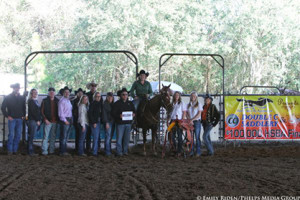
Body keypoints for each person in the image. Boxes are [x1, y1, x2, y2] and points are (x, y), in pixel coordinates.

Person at [1, 83, 25, 155]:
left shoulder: (21, 98)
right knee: (11, 134)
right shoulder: (8, 97)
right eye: (16, 88)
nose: (17, 89)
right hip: (12, 118)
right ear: (13, 88)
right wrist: (7, 116)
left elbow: (23, 107)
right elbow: (3, 108)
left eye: (18, 88)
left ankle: (15, 150)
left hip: (19, 118)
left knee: (18, 134)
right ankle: (10, 150)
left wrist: (23, 115)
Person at [112, 88, 135, 156]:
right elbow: (113, 113)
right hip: (120, 124)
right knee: (119, 138)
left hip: (128, 123)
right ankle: (119, 152)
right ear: (120, 95)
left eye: (126, 94)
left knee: (126, 139)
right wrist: (119, 116)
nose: (125, 96)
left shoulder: (130, 103)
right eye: (123, 94)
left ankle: (125, 151)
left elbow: (134, 111)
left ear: (127, 95)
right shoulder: (117, 104)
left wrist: (134, 114)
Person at [41, 87, 59, 155]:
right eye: (50, 92)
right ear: (48, 93)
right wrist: (45, 119)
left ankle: (51, 150)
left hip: (55, 121)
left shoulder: (57, 101)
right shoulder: (44, 101)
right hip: (47, 121)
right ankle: (44, 151)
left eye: (53, 92)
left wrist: (58, 119)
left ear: (54, 93)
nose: (51, 93)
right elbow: (42, 111)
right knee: (46, 136)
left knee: (53, 136)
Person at [169, 91, 187, 156]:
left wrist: (182, 120)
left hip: (179, 120)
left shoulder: (182, 103)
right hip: (172, 120)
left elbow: (184, 112)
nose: (176, 96)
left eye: (177, 95)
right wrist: (168, 121)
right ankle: (174, 149)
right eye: (175, 95)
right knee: (171, 135)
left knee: (179, 136)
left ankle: (179, 150)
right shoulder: (171, 104)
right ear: (174, 96)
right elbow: (169, 113)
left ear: (179, 97)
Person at [186, 91, 203, 157]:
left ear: (196, 97)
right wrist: (189, 120)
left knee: (197, 137)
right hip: (190, 122)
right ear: (190, 97)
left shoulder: (199, 104)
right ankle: (191, 151)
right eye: (192, 96)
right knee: (190, 137)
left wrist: (192, 119)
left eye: (194, 96)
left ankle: (198, 151)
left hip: (197, 122)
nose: (193, 97)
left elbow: (199, 114)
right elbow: (186, 113)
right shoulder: (188, 105)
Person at [86, 81, 101, 152]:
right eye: (92, 86)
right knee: (89, 134)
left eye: (94, 86)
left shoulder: (98, 96)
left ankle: (97, 147)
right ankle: (88, 147)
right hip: (89, 117)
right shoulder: (87, 95)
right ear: (90, 87)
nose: (93, 87)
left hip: (96, 118)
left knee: (97, 135)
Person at [58, 86, 73, 156]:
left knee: (66, 137)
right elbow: (60, 113)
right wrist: (65, 120)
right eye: (65, 92)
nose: (67, 93)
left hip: (69, 119)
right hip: (65, 120)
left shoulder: (68, 100)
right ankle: (62, 151)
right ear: (63, 93)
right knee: (63, 137)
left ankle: (64, 150)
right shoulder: (62, 101)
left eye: (68, 92)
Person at [27, 89, 41, 156]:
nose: (35, 93)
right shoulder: (31, 101)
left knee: (31, 136)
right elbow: (33, 112)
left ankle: (30, 151)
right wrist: (37, 120)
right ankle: (30, 151)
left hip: (34, 120)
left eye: (36, 92)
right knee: (31, 136)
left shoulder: (35, 101)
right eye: (34, 92)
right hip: (33, 120)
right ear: (31, 94)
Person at [88, 92, 102, 156]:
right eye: (97, 96)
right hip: (95, 122)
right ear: (94, 97)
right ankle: (94, 152)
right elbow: (90, 114)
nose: (98, 97)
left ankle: (95, 150)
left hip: (98, 122)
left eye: (99, 96)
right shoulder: (92, 104)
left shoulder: (100, 103)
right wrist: (94, 122)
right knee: (95, 137)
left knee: (97, 137)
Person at [72, 88, 85, 152]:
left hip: (82, 119)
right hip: (76, 119)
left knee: (81, 134)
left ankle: (80, 148)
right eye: (79, 93)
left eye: (81, 93)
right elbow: (73, 111)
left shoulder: (84, 101)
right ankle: (77, 148)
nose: (80, 94)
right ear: (77, 94)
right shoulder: (74, 101)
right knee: (78, 134)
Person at [102, 92, 115, 156]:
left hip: (112, 121)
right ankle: (107, 152)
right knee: (108, 137)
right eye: (109, 97)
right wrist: (106, 122)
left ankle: (107, 149)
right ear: (107, 97)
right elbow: (104, 115)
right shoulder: (105, 104)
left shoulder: (113, 104)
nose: (110, 98)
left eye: (111, 97)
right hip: (108, 122)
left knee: (109, 137)